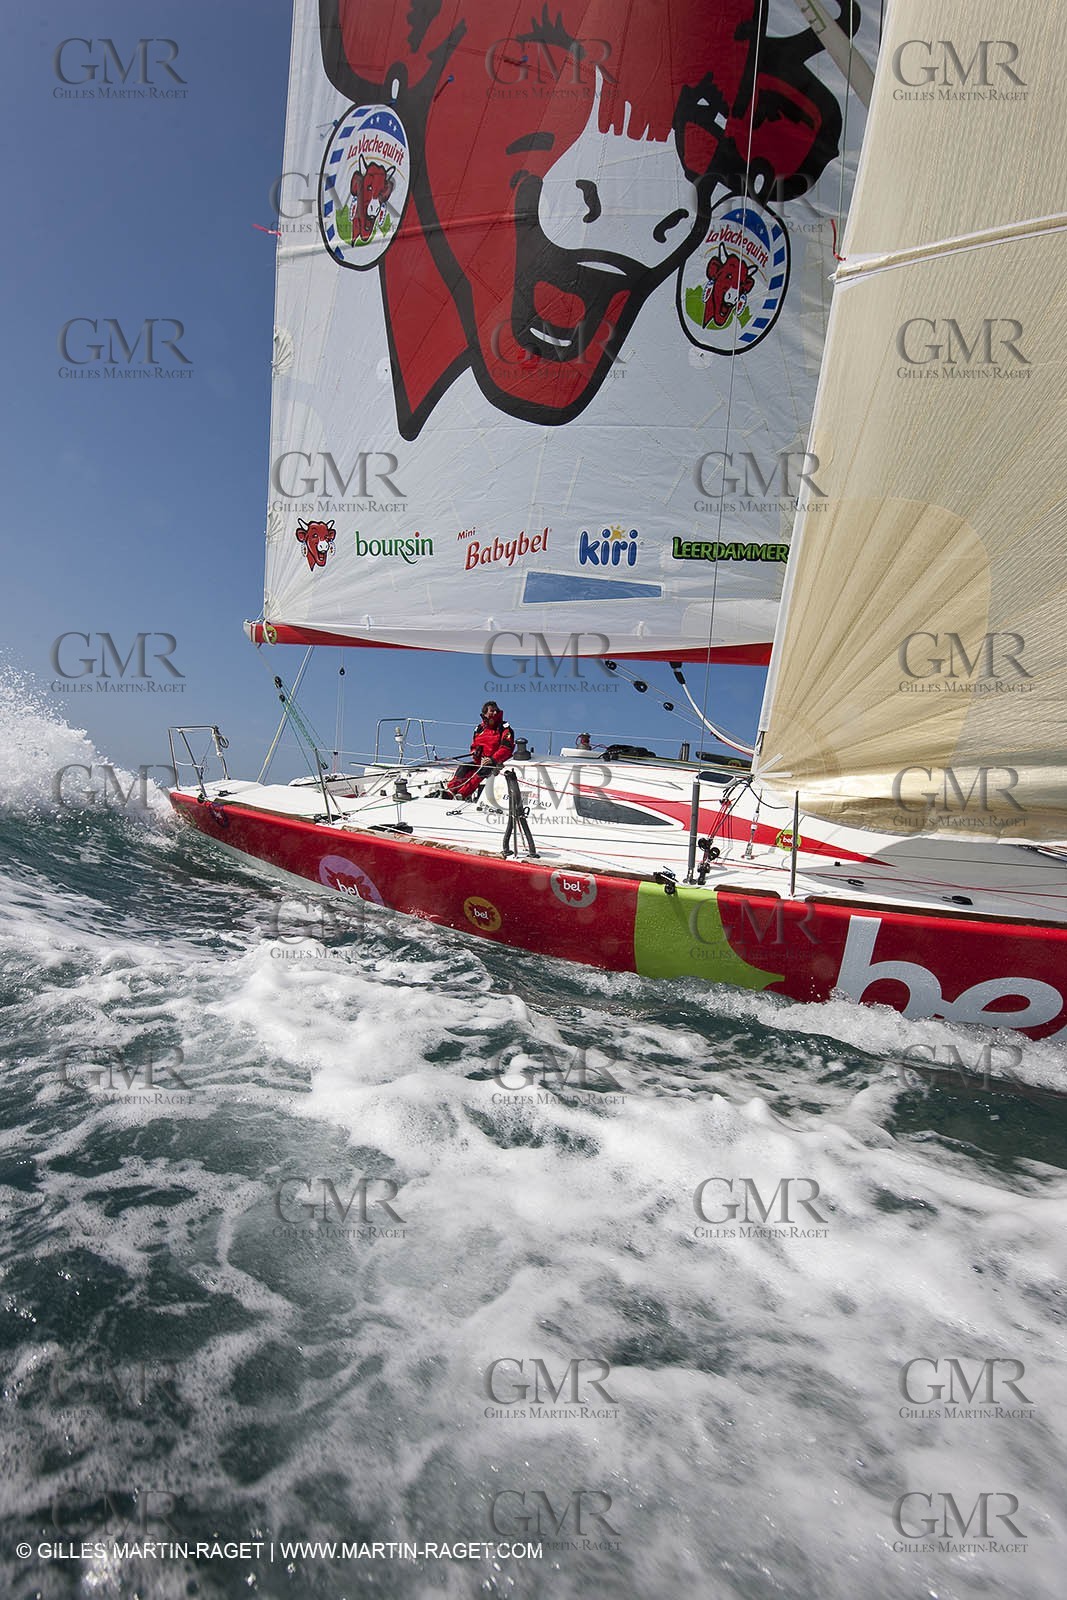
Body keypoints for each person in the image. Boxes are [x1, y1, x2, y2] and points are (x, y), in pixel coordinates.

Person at [445, 701, 515, 800]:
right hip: (480, 762)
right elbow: (474, 745)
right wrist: (475, 753)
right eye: (492, 711)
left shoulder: (504, 728)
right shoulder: (479, 729)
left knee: (483, 770)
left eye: (496, 710)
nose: (495, 713)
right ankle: (450, 791)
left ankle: (462, 794)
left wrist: (492, 759)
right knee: (464, 767)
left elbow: (506, 748)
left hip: (496, 762)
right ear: (485, 713)